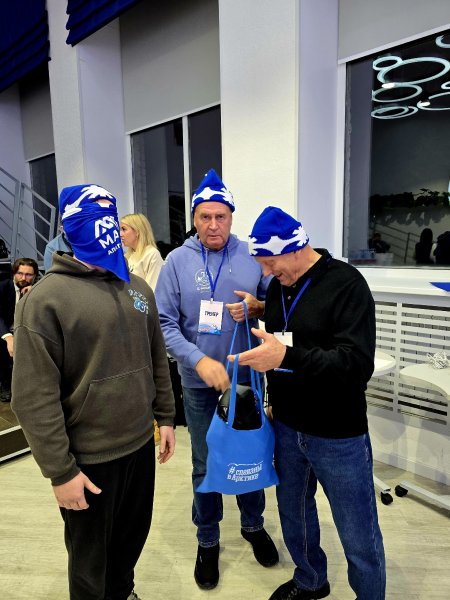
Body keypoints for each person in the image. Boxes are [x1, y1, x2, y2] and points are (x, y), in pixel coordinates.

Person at [12, 184, 176, 600]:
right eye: (92, 216)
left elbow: (155, 356)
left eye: (110, 216)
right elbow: (33, 396)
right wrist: (60, 471)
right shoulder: (45, 300)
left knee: (129, 542)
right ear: (70, 227)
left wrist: (166, 416)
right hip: (88, 458)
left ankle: (123, 592)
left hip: (138, 445)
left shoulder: (137, 289)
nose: (105, 227)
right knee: (89, 562)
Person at [229, 206, 386, 600]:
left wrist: (286, 356)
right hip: (287, 426)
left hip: (338, 433)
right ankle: (310, 580)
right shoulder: (279, 288)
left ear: (296, 248)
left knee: (358, 533)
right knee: (295, 517)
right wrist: (261, 309)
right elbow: (294, 332)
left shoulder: (347, 285)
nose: (267, 272)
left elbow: (356, 365)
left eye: (270, 263)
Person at [155, 169, 278, 591]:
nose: (213, 225)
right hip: (197, 382)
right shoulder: (177, 261)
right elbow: (164, 323)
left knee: (249, 451)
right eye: (204, 217)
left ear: (231, 218)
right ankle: (207, 538)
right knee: (205, 461)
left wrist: (258, 306)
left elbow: (278, 302)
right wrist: (198, 360)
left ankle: (253, 524)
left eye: (220, 217)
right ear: (194, 219)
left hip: (246, 378)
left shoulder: (251, 256)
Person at [0, 257, 38, 402]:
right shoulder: (3, 287)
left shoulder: (39, 289)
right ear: (14, 273)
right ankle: (6, 384)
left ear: (34, 276)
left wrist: (34, 294)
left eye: (28, 275)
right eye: (20, 273)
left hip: (27, 330)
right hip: (6, 330)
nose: (23, 278)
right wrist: (8, 337)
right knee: (4, 346)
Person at [120, 213, 164, 290]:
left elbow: (152, 290)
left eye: (124, 229)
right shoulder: (126, 256)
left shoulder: (152, 254)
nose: (120, 234)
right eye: (120, 230)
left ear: (137, 231)